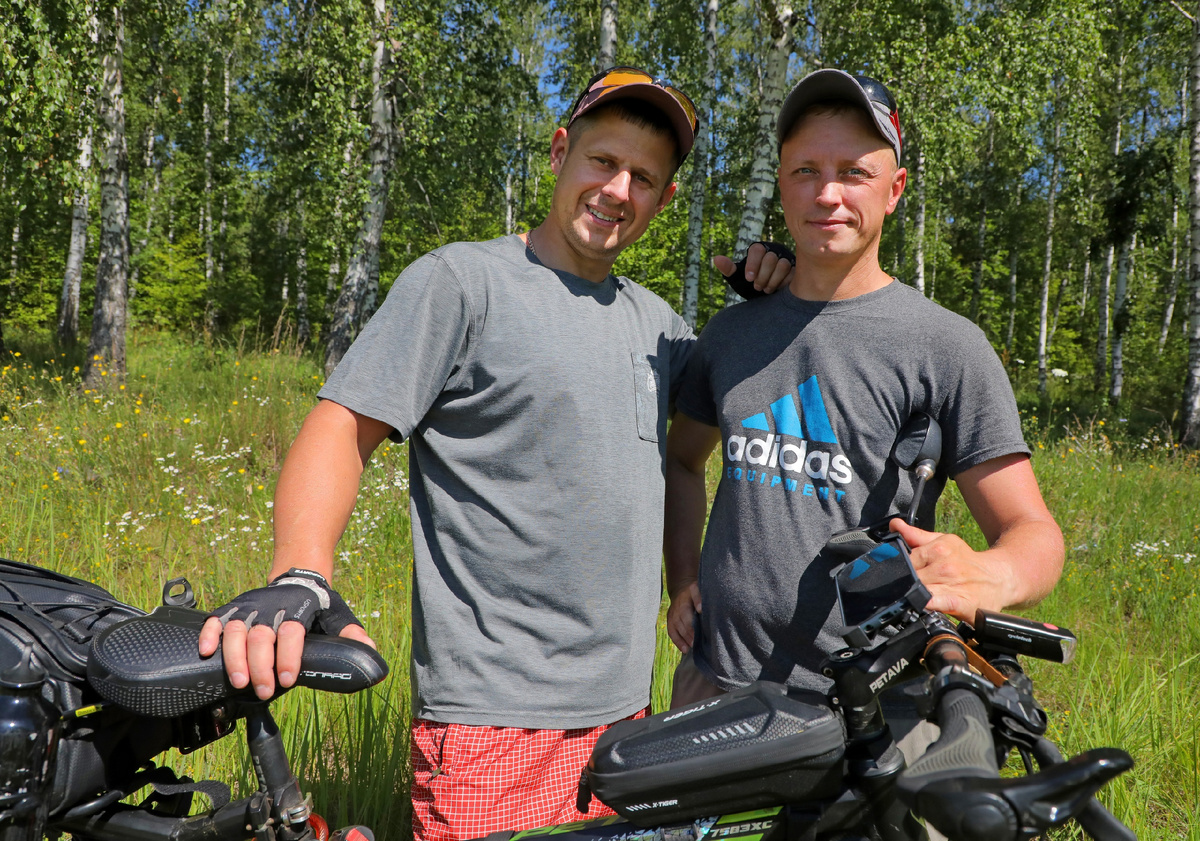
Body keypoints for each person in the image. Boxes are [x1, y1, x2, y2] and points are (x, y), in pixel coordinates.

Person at [197, 66, 791, 841]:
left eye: (643, 177)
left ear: (664, 200)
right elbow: (342, 426)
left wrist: (779, 292)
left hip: (624, 712)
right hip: (489, 723)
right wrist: (301, 568)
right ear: (558, 152)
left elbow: (688, 457)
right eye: (601, 161)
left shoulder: (658, 327)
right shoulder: (463, 284)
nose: (617, 189)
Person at [664, 70, 1064, 723]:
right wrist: (680, 575)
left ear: (896, 189)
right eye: (805, 171)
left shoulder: (947, 346)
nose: (827, 194)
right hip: (715, 685)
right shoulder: (731, 333)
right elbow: (682, 459)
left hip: (867, 706)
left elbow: (1034, 532)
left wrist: (995, 575)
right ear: (782, 181)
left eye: (854, 172)